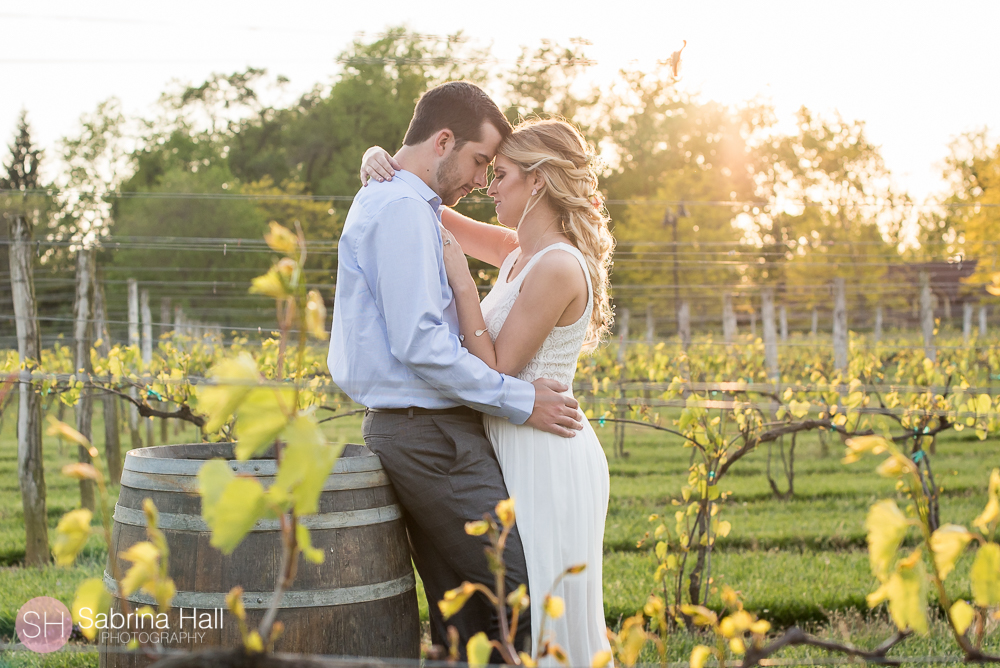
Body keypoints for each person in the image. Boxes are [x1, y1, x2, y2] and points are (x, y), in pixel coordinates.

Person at [328, 81, 584, 658]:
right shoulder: (399, 207)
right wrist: (522, 401)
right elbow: (421, 344)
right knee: (511, 595)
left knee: (464, 608)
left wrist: (378, 158)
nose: (482, 179)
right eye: (479, 162)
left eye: (496, 170)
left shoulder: (408, 202)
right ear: (443, 140)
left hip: (432, 429)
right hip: (431, 433)